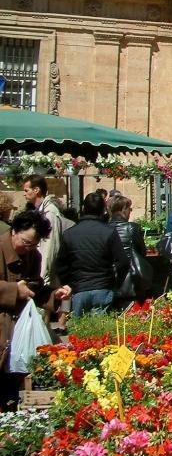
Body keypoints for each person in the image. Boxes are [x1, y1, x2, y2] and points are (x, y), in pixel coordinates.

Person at [1, 210, 71, 410]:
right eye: (25, 242)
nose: (28, 248)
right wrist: (14, 290)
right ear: (14, 231)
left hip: (18, 333)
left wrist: (54, 294)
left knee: (14, 386)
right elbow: (20, 290)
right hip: (2, 329)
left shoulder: (33, 256)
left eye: (33, 244)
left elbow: (36, 289)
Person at [55, 193, 129, 317]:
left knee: (80, 333)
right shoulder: (109, 232)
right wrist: (115, 282)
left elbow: (61, 264)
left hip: (79, 289)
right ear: (103, 210)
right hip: (103, 287)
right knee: (103, 333)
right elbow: (123, 262)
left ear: (83, 209)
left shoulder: (70, 234)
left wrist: (69, 283)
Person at [22, 174, 71, 284]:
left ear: (36, 190)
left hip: (44, 278)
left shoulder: (50, 213)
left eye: (26, 190)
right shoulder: (39, 211)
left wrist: (42, 278)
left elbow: (49, 247)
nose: (24, 194)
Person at [107, 194, 151, 303]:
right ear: (123, 210)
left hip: (109, 279)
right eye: (129, 209)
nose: (130, 212)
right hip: (131, 280)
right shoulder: (131, 228)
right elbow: (142, 252)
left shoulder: (104, 228)